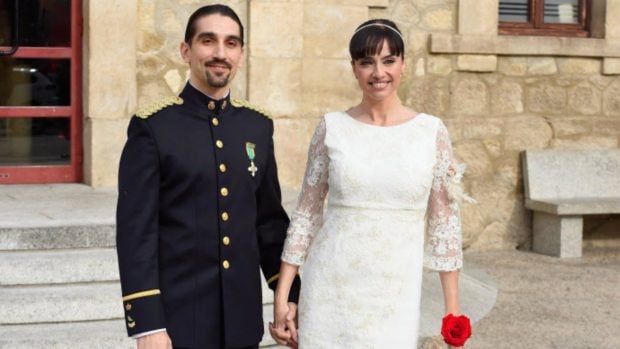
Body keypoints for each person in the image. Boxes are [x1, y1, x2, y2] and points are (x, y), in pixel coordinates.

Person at [270, 19, 471, 347]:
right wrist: (283, 297)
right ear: (354, 68)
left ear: (403, 64)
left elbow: (445, 229)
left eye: (389, 60)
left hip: (396, 299)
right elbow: (306, 217)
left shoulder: (431, 133)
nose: (379, 72)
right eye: (367, 62)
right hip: (329, 293)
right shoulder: (331, 128)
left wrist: (453, 313)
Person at [116, 4, 300, 349]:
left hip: (243, 324)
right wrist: (148, 325)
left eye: (231, 43)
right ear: (186, 50)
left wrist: (289, 295)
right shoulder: (153, 127)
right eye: (208, 41)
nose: (220, 53)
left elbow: (269, 224)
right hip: (179, 325)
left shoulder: (257, 127)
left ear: (241, 54)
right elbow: (136, 234)